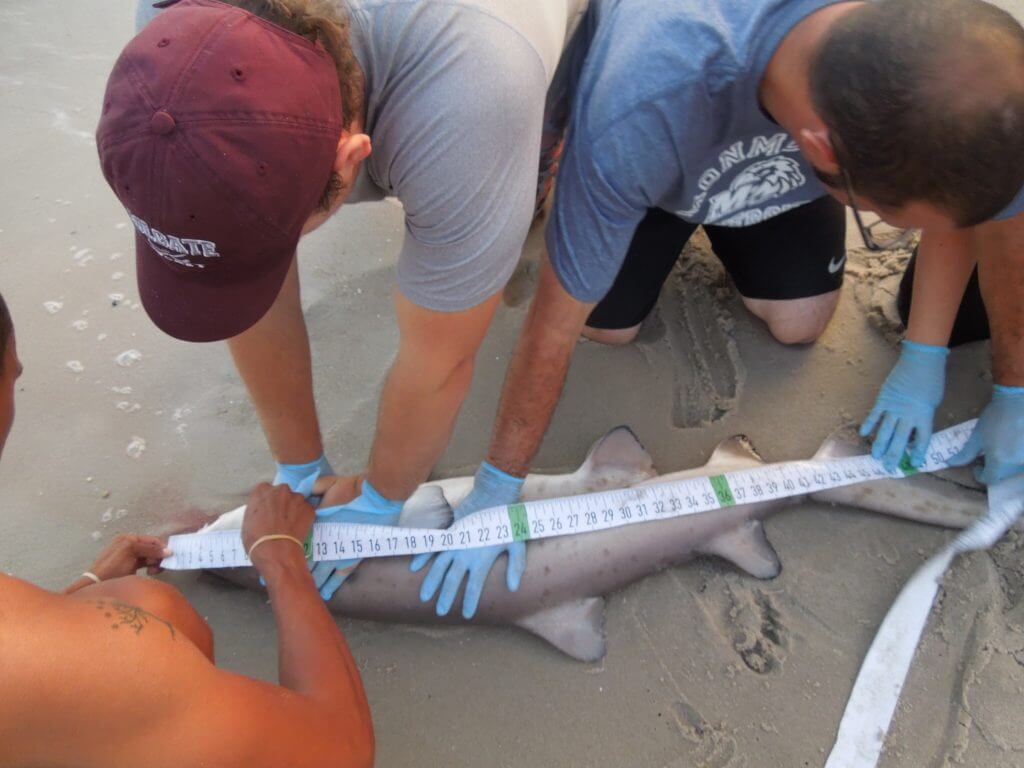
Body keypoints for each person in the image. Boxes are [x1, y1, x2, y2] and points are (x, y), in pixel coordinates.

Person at [408, 0, 1024, 617]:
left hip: (781, 144)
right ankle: (635, 209)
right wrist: (499, 484)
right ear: (824, 148)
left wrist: (991, 380)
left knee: (801, 322)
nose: (894, 226)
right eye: (889, 218)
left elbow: (976, 214)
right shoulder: (642, 106)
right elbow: (552, 325)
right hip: (658, 154)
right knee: (606, 325)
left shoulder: (934, 57)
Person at [100, 0, 585, 605]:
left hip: (500, 41)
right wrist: (300, 466)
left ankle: (530, 176)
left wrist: (384, 496)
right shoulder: (169, 55)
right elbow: (241, 276)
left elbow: (439, 363)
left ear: (352, 158)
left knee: (525, 166)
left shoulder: (473, 97)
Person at [0, 292, 375, 767]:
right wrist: (281, 557)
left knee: (131, 603)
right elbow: (344, 751)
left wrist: (83, 589)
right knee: (153, 610)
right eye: (15, 376)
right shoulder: (105, 659)